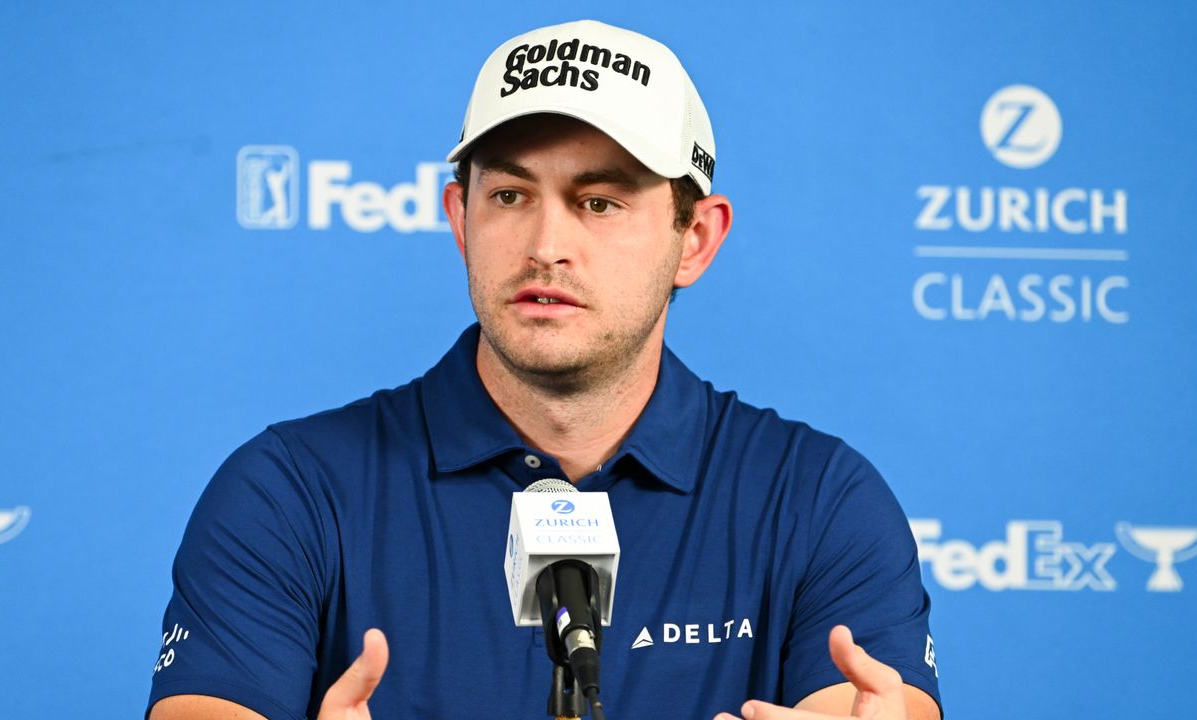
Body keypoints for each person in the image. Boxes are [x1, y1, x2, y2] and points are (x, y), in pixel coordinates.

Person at [147, 19, 942, 720]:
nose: (546, 246)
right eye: (510, 196)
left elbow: (869, 707)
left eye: (599, 202)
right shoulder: (287, 492)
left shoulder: (820, 501)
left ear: (695, 238)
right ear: (460, 218)